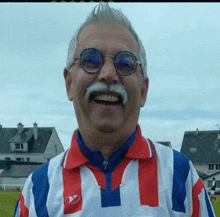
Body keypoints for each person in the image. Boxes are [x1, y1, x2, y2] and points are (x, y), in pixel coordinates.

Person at [14, 3, 215, 217]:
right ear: (69, 83)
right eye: (91, 59)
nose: (108, 74)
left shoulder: (180, 176)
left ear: (143, 90)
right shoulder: (37, 190)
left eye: (125, 63)